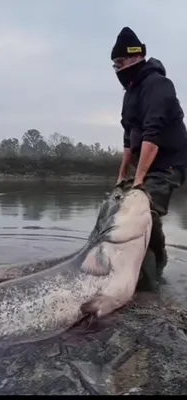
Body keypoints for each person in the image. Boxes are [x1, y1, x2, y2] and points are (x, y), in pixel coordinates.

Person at [111, 27, 187, 290]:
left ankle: (155, 270)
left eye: (119, 63)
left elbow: (152, 135)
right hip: (147, 162)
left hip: (168, 163)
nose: (116, 69)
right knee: (121, 203)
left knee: (146, 209)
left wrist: (139, 180)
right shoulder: (130, 92)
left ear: (134, 58)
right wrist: (122, 178)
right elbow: (128, 138)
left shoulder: (158, 85)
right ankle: (120, 261)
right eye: (114, 65)